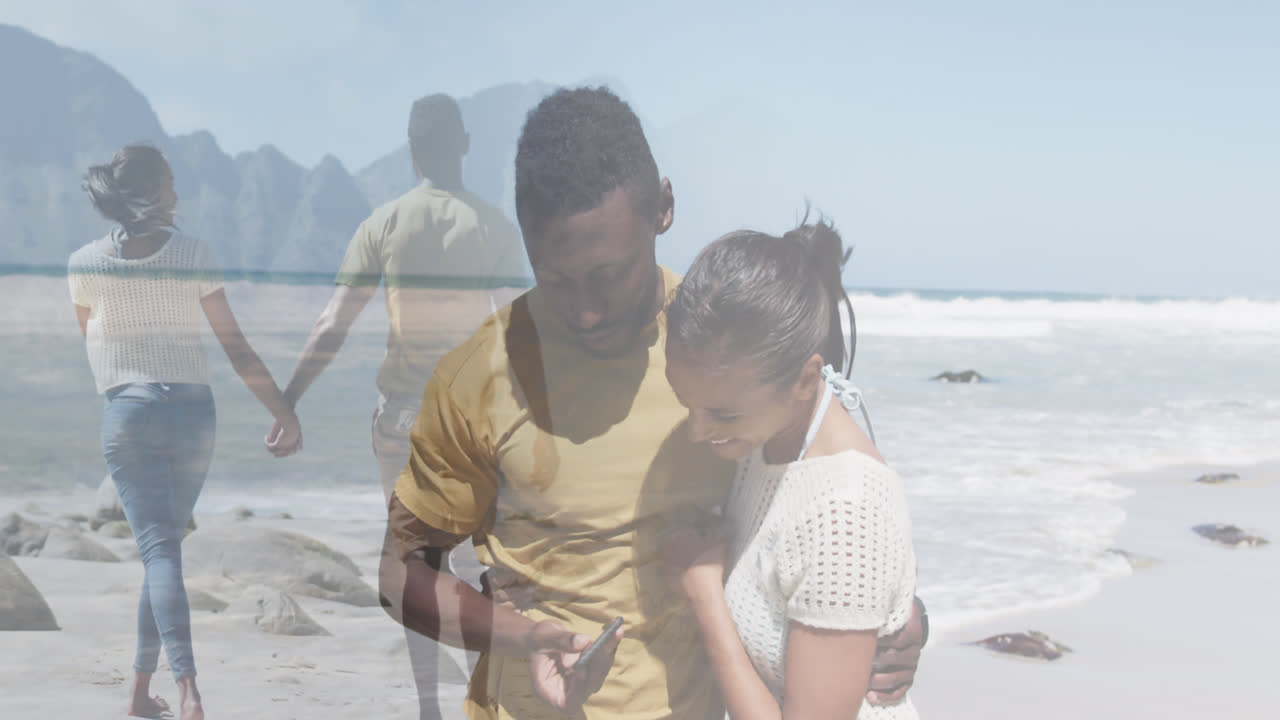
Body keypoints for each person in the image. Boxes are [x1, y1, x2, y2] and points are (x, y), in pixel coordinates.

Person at [379, 87, 926, 720]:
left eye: (610, 274)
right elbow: (401, 576)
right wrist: (522, 634)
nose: (584, 310)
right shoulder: (479, 377)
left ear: (664, 208)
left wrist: (898, 616)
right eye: (555, 277)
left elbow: (823, 504)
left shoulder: (726, 346)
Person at [275, 93, 526, 719]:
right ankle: (483, 701)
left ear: (412, 150)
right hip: (474, 419)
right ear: (464, 144)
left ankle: (426, 709)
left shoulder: (383, 224)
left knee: (417, 569)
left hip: (403, 421)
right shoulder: (494, 225)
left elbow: (334, 322)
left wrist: (288, 400)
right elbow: (524, 328)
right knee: (478, 566)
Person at [68, 144, 301, 720]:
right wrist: (283, 410)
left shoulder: (85, 264)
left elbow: (92, 343)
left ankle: (185, 693)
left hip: (128, 414)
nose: (178, 194)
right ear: (147, 193)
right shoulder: (194, 254)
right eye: (170, 183)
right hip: (194, 414)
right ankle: (148, 694)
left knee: (160, 552)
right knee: (163, 551)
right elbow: (236, 348)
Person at [661, 217, 919, 719]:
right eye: (686, 404)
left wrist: (703, 594)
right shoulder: (766, 441)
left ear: (804, 380)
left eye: (722, 414)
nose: (696, 432)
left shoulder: (846, 511)